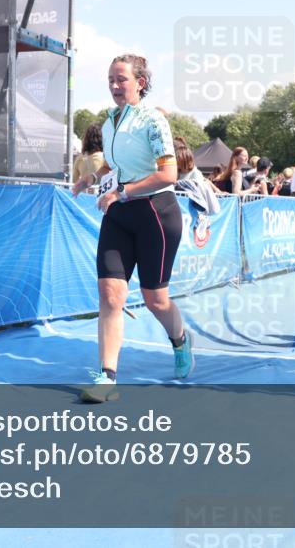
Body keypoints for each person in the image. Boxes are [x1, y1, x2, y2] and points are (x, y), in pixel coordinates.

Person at [70, 54, 193, 402]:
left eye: (121, 79)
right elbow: (115, 161)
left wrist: (120, 191)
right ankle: (107, 377)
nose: (114, 85)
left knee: (155, 300)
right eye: (110, 79)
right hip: (119, 214)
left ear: (141, 82)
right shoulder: (110, 122)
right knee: (110, 296)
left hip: (157, 213)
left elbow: (168, 174)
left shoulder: (154, 121)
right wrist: (92, 177)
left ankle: (180, 340)